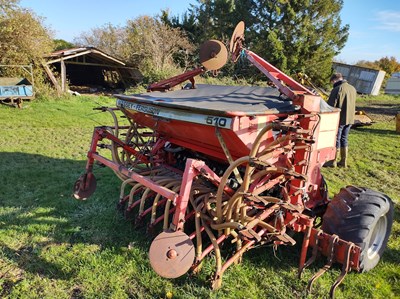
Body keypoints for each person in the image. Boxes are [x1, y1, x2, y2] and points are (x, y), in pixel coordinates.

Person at [326, 73, 356, 167]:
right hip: (350, 118)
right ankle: (343, 161)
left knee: (336, 138)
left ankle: (333, 161)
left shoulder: (337, 89)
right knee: (344, 138)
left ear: (334, 80)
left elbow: (330, 106)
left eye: (332, 82)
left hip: (340, 118)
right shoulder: (352, 88)